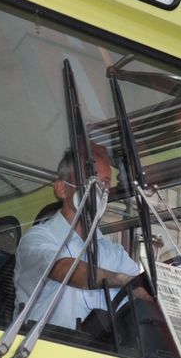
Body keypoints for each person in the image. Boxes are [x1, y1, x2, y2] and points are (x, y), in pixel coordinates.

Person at [15, 142, 147, 331]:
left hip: (102, 349)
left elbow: (142, 288)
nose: (99, 190)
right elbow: (63, 269)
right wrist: (121, 280)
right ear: (62, 189)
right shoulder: (37, 239)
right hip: (43, 345)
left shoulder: (113, 252)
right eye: (90, 181)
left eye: (105, 183)